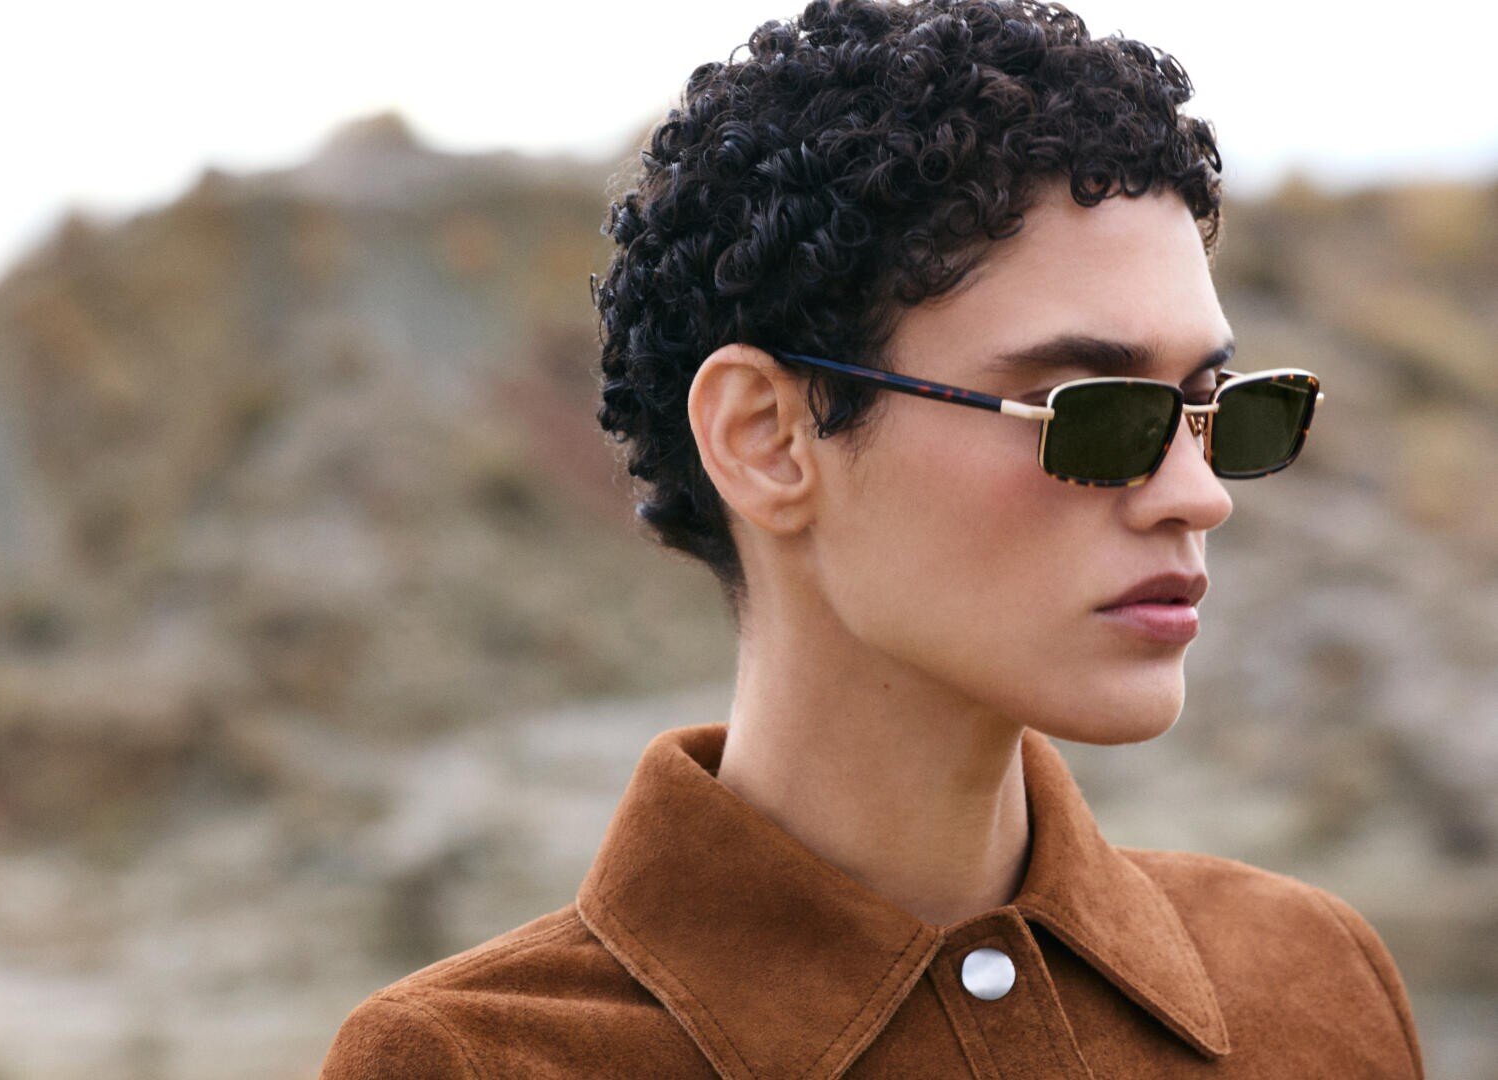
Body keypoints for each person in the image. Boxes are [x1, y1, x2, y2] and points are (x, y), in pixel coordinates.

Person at [317, 1, 1424, 1075]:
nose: (1197, 494)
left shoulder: (1312, 981)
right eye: (1093, 410)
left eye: (1217, 409)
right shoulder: (474, 1063)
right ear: (766, 439)